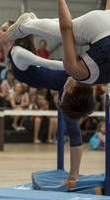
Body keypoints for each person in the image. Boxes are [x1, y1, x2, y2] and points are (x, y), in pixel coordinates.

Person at [7, 43, 94, 189]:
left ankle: (74, 174)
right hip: (62, 76)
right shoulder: (17, 54)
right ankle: (74, 174)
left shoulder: (18, 52)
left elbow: (50, 66)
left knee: (73, 127)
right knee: (73, 125)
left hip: (65, 76)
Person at [7, 0, 110, 86]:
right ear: (71, 91)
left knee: (79, 32)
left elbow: (109, 30)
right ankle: (26, 25)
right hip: (102, 30)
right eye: (65, 90)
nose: (64, 86)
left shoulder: (108, 77)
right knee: (69, 34)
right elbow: (66, 29)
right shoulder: (76, 72)